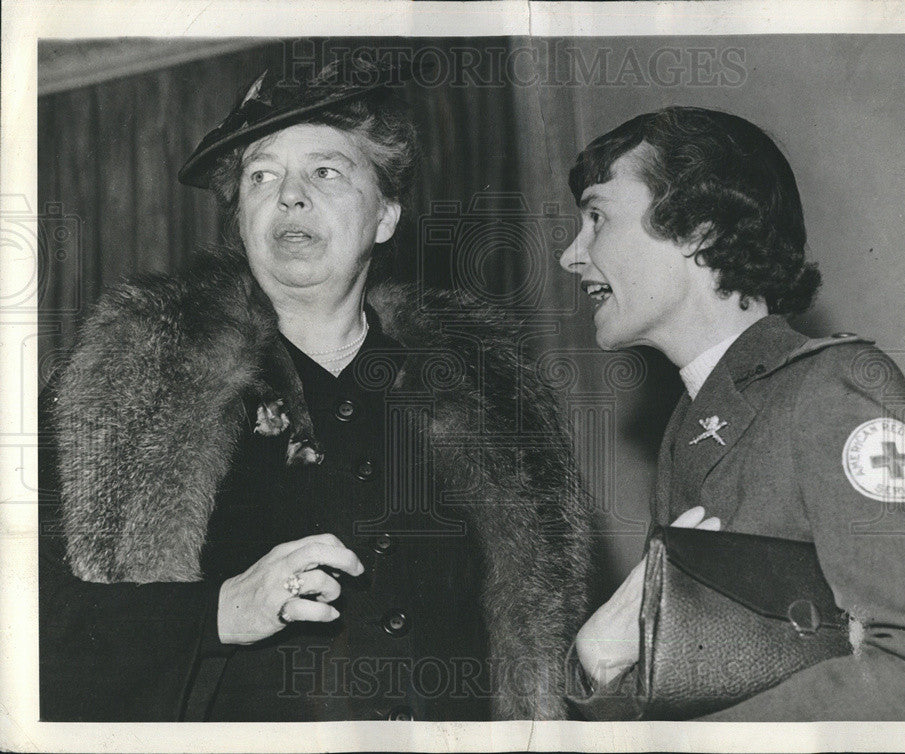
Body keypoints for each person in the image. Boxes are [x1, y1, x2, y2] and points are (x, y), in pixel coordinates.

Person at [39, 58, 591, 722]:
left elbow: (538, 650)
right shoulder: (129, 386)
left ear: (386, 214)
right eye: (262, 176)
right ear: (240, 219)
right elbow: (31, 625)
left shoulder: (494, 403)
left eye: (326, 171)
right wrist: (214, 613)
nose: (290, 196)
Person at [558, 107, 905, 720]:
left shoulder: (833, 388)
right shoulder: (694, 421)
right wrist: (597, 657)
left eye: (597, 218)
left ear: (697, 228)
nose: (572, 255)